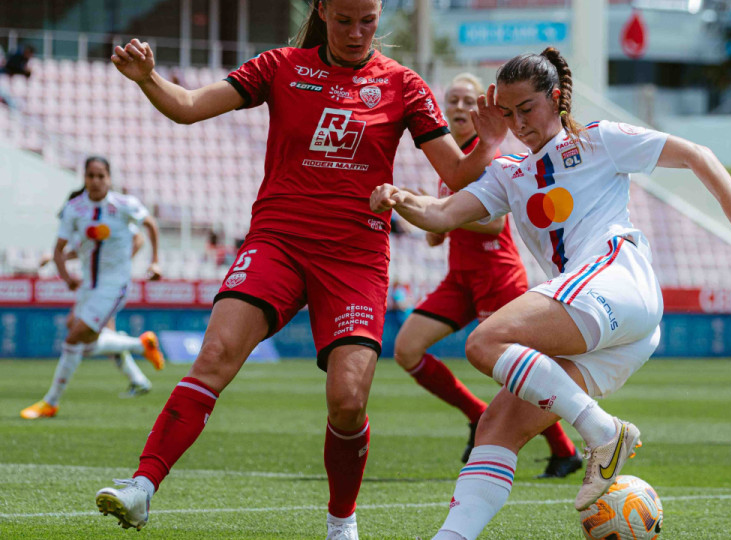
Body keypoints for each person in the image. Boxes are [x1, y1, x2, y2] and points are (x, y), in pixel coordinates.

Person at [93, 1, 505, 538]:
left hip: (355, 257)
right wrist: (149, 79)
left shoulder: (403, 84)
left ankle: (341, 523)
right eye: (345, 20)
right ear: (323, 11)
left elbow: (457, 171)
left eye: (368, 21)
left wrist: (489, 141)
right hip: (278, 242)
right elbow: (189, 107)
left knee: (348, 402)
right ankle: (142, 486)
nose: (356, 33)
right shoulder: (280, 66)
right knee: (215, 356)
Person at [369, 47, 731, 540]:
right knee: (496, 428)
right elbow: (441, 214)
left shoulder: (599, 140)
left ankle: (604, 432)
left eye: (527, 109)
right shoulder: (508, 172)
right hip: (615, 332)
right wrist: (399, 198)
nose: (519, 124)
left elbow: (694, 154)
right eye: (508, 114)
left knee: (485, 341)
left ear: (556, 98)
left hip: (617, 280)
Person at [392, 72, 581, 477]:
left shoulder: (488, 157)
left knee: (509, 371)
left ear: (482, 110)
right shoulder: (453, 164)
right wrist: (430, 222)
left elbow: (494, 224)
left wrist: (441, 214)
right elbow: (440, 234)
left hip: (497, 275)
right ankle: (476, 413)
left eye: (468, 101)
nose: (459, 107)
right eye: (453, 101)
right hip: (460, 277)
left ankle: (565, 450)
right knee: (407, 349)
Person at [19, 156, 166, 420]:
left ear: (109, 178)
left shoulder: (124, 205)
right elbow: (61, 249)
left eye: (101, 176)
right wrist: (66, 276)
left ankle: (50, 402)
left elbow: (148, 227)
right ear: (84, 178)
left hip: (113, 286)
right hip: (89, 284)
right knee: (83, 342)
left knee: (74, 339)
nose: (96, 181)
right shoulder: (75, 209)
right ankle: (140, 346)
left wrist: (154, 262)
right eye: (91, 176)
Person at [37, 201, 158, 399]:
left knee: (84, 337)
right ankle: (139, 376)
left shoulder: (107, 216)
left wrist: (119, 263)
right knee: (90, 333)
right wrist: (54, 258)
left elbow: (139, 238)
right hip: (93, 286)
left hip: (107, 287)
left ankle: (140, 349)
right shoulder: (85, 225)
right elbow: (84, 251)